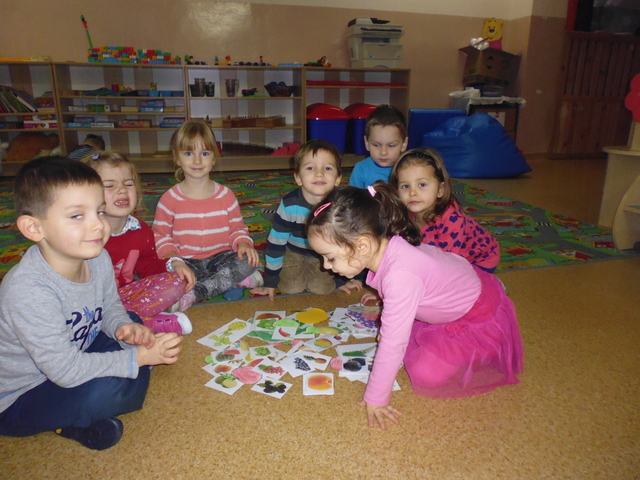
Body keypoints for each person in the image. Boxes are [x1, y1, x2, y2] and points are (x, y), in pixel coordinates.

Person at [0, 156, 183, 450]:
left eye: (99, 211)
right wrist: (137, 359)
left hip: (77, 351)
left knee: (134, 322)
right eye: (77, 216)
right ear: (34, 228)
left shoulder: (97, 256)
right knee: (107, 388)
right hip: (22, 396)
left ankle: (90, 409)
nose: (98, 225)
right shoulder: (28, 290)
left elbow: (109, 306)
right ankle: (74, 420)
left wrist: (122, 327)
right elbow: (64, 370)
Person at [307, 184, 523, 430]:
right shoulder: (389, 247)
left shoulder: (400, 277)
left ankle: (486, 346)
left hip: (476, 314)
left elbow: (393, 342)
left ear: (363, 246)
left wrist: (376, 398)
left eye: (330, 257)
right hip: (458, 289)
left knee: (424, 374)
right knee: (402, 338)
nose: (325, 266)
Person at [83, 151, 196, 335]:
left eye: (128, 184)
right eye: (109, 186)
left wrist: (174, 264)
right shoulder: (85, 234)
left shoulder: (140, 231)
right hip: (91, 305)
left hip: (126, 299)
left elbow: (148, 268)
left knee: (176, 282)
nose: (122, 190)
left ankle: (130, 323)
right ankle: (145, 323)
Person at [152, 120, 262, 302]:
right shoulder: (169, 199)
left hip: (220, 258)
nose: (197, 161)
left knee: (247, 262)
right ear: (177, 158)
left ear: (214, 158)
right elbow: (160, 236)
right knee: (162, 272)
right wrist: (174, 260)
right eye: (188, 153)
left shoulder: (226, 195)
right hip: (186, 261)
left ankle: (195, 292)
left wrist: (243, 243)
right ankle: (227, 282)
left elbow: (237, 229)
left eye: (204, 153)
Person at [250, 139, 362, 300]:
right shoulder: (289, 205)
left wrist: (342, 280)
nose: (319, 173)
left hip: (325, 255)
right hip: (293, 251)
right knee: (291, 287)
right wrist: (270, 281)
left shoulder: (340, 205)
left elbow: (345, 243)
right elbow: (276, 243)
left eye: (328, 168)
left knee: (323, 288)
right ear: (298, 178)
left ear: (338, 178)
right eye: (310, 168)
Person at [390, 148, 500, 272]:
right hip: (440, 256)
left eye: (422, 185)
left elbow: (448, 265)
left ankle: (489, 281)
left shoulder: (452, 219)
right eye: (405, 186)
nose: (412, 193)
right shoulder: (406, 212)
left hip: (480, 259)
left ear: (440, 190)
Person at [348, 105, 408, 189]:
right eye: (376, 145)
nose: (383, 152)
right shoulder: (361, 169)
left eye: (391, 145)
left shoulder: (408, 170)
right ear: (367, 143)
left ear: (404, 144)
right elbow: (352, 196)